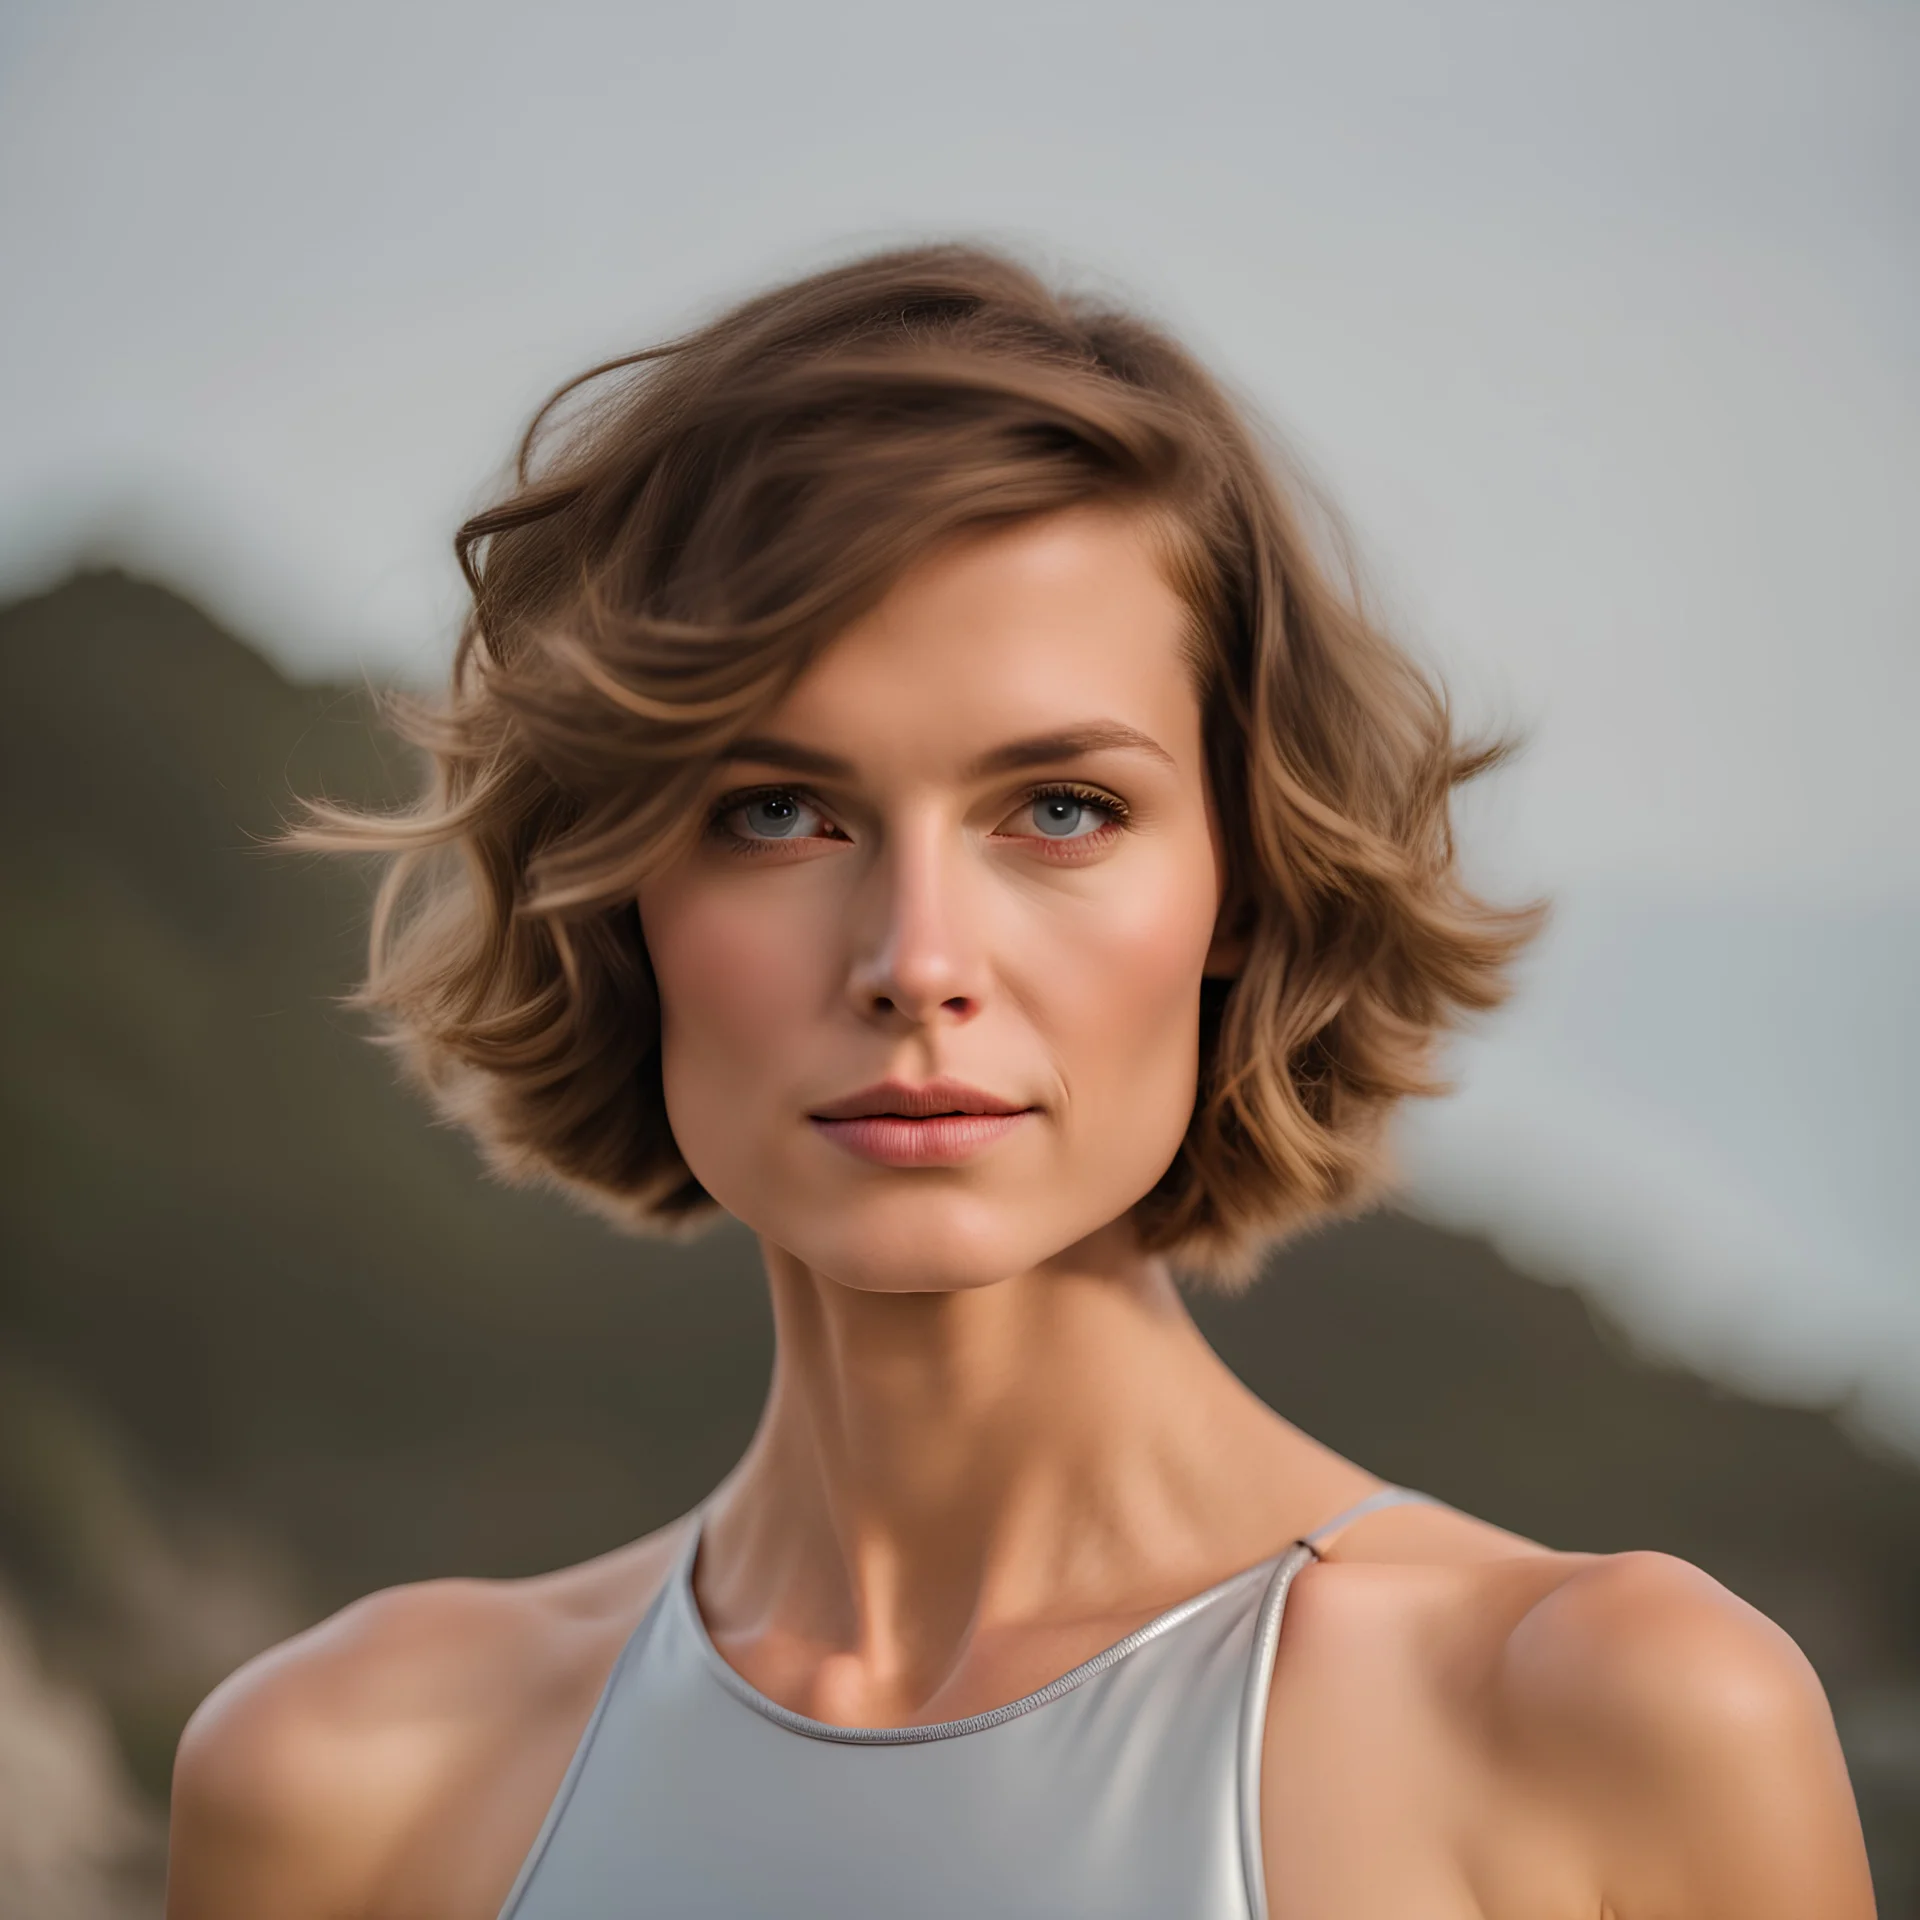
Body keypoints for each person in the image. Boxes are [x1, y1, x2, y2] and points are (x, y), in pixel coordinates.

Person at [165, 245, 1875, 1919]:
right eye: (777, 810)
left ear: (1245, 884)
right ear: (618, 895)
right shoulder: (345, 1783)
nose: (916, 957)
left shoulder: (1610, 1721)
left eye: (1060, 808)